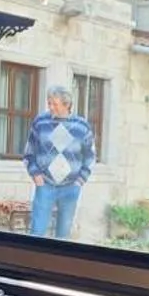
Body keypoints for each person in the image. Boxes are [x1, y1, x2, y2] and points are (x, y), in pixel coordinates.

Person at [23, 84, 95, 239]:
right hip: (45, 186)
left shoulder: (82, 127)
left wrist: (80, 181)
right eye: (49, 103)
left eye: (54, 104)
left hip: (71, 188)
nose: (50, 107)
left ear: (67, 105)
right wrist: (35, 174)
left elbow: (90, 157)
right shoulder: (40, 122)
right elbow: (29, 152)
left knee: (63, 237)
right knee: (36, 233)